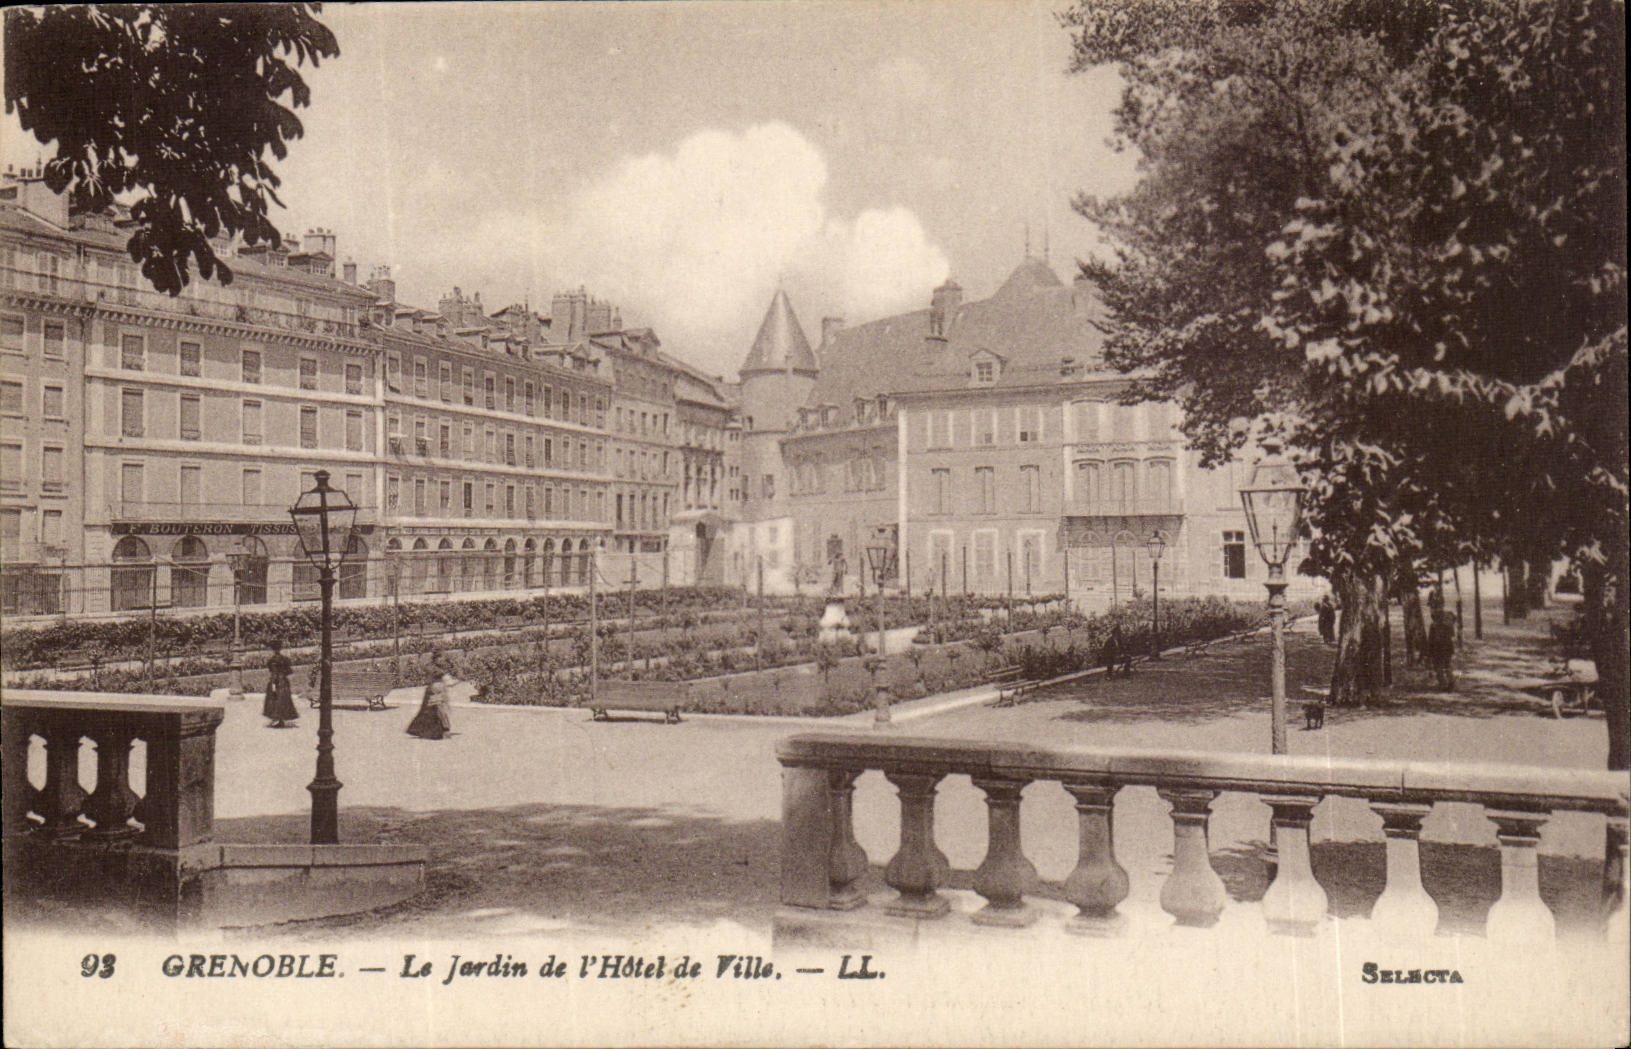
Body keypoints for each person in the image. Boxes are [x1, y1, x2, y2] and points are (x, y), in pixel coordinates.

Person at [407, 653, 455, 740]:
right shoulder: (434, 669)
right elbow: (442, 678)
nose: (442, 660)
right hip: (433, 691)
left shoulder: (438, 668)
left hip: (438, 691)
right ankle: (442, 731)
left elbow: (448, 681)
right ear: (435, 659)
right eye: (440, 658)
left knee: (435, 711)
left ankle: (441, 731)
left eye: (442, 658)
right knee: (435, 711)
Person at [262, 641, 298, 727]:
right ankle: (281, 720)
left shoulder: (272, 660)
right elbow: (289, 671)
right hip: (284, 681)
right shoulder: (285, 659)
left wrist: (273, 685)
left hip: (277, 682)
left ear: (273, 650)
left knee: (275, 700)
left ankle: (277, 719)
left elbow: (274, 673)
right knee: (284, 700)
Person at [1426, 608, 1456, 691]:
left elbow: (1431, 639)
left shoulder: (1433, 626)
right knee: (1447, 665)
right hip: (1448, 648)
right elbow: (1452, 636)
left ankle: (1443, 684)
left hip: (1438, 648)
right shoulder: (1448, 625)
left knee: (1438, 667)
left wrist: (1429, 652)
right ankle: (1451, 681)